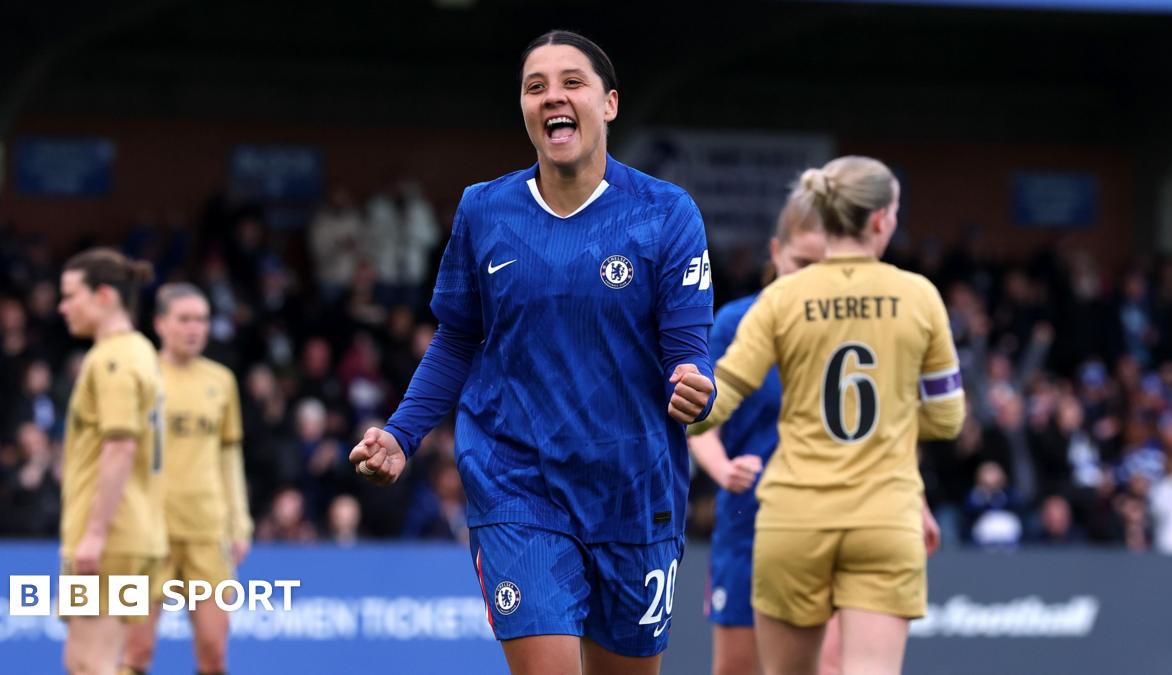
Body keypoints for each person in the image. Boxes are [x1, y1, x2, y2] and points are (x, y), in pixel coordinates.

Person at [350, 29, 715, 675]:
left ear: (609, 103)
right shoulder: (484, 209)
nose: (553, 97)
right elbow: (458, 336)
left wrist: (695, 384)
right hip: (517, 480)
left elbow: (688, 350)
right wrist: (403, 435)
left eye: (572, 82)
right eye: (535, 86)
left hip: (634, 485)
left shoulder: (666, 212)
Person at [690, 156, 965, 675]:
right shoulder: (920, 296)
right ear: (882, 219)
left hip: (793, 518)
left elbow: (712, 405)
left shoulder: (780, 299)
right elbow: (948, 420)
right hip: (884, 516)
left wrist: (680, 404)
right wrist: (894, 422)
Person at [122, 284, 252, 675]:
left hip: (206, 530)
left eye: (201, 320)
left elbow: (229, 454)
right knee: (136, 653)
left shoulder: (222, 381)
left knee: (214, 653)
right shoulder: (138, 378)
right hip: (148, 531)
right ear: (160, 324)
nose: (194, 329)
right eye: (184, 319)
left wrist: (239, 520)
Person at [58, 248, 166, 675]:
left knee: (91, 665)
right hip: (126, 531)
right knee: (83, 661)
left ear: (103, 295)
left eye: (70, 296)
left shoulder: (113, 359)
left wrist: (95, 535)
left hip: (110, 537)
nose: (63, 307)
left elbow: (121, 446)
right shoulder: (139, 349)